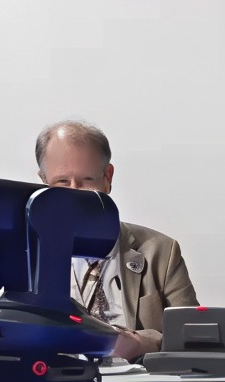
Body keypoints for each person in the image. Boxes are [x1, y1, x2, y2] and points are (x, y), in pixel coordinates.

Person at [36, 120, 199, 360]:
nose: (74, 193)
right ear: (43, 182)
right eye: (62, 182)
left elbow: (195, 340)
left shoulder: (162, 252)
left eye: (87, 179)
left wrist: (144, 342)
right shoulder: (26, 257)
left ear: (108, 178)